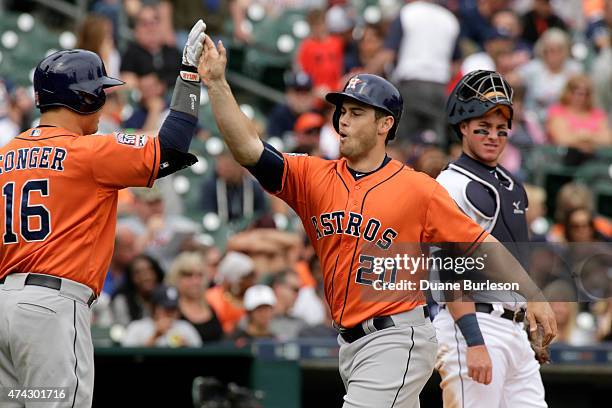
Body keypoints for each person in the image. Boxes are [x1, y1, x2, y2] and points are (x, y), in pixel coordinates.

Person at [199, 35, 557, 407]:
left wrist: (532, 293)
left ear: (385, 123)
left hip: (397, 338)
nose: (343, 120)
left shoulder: (418, 189)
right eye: (342, 111)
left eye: (356, 112)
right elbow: (249, 150)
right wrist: (218, 84)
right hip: (351, 346)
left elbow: (480, 244)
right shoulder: (313, 176)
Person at [0, 20, 207, 407]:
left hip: (4, 307)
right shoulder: (89, 151)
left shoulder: (6, 153)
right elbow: (172, 149)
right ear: (83, 99)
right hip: (52, 308)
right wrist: (189, 78)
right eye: (100, 93)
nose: (105, 101)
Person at [434, 70, 548, 408]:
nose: (493, 136)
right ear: (463, 128)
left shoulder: (512, 184)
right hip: (472, 323)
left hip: (513, 328)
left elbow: (515, 266)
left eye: (501, 129)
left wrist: (528, 316)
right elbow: (450, 270)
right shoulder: (449, 185)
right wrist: (474, 341)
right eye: (482, 128)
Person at [368, 0, 461, 147]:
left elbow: (388, 54)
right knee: (434, 145)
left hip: (410, 86)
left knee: (402, 144)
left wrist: (365, 76)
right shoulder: (449, 19)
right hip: (438, 88)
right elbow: (455, 66)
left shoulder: (408, 13)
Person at [546, 74, 611, 157]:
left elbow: (608, 138)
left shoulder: (597, 113)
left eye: (586, 94)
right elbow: (562, 138)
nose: (582, 98)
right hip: (565, 158)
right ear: (568, 92)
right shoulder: (557, 111)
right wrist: (592, 137)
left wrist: (582, 135)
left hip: (595, 158)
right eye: (579, 93)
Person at [165, 251, 223, 343]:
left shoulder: (212, 306)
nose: (195, 281)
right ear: (176, 278)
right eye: (188, 275)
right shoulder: (170, 309)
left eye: (199, 275)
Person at [121, 284, 202, 347]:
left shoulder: (185, 327)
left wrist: (186, 347)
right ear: (154, 308)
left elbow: (200, 355)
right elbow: (128, 357)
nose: (171, 313)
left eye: (174, 309)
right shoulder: (137, 327)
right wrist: (155, 336)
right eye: (167, 309)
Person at [111, 254, 165, 326]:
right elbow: (123, 330)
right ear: (131, 278)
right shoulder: (122, 301)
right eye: (138, 272)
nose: (146, 276)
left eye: (150, 270)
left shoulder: (166, 296)